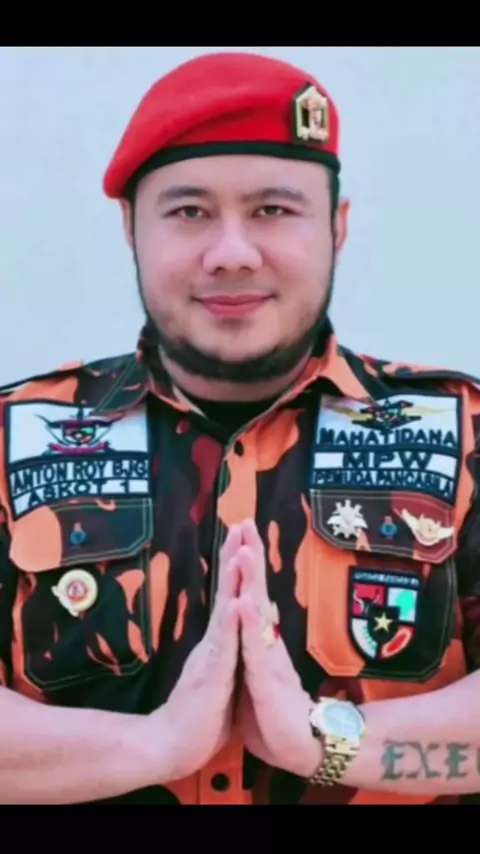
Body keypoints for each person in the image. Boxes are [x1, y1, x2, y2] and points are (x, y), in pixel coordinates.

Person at [0, 50, 480, 807]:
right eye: (189, 211)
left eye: (273, 210)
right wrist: (156, 746)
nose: (231, 254)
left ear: (338, 227)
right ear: (130, 227)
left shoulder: (465, 433)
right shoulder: (14, 439)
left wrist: (325, 743)